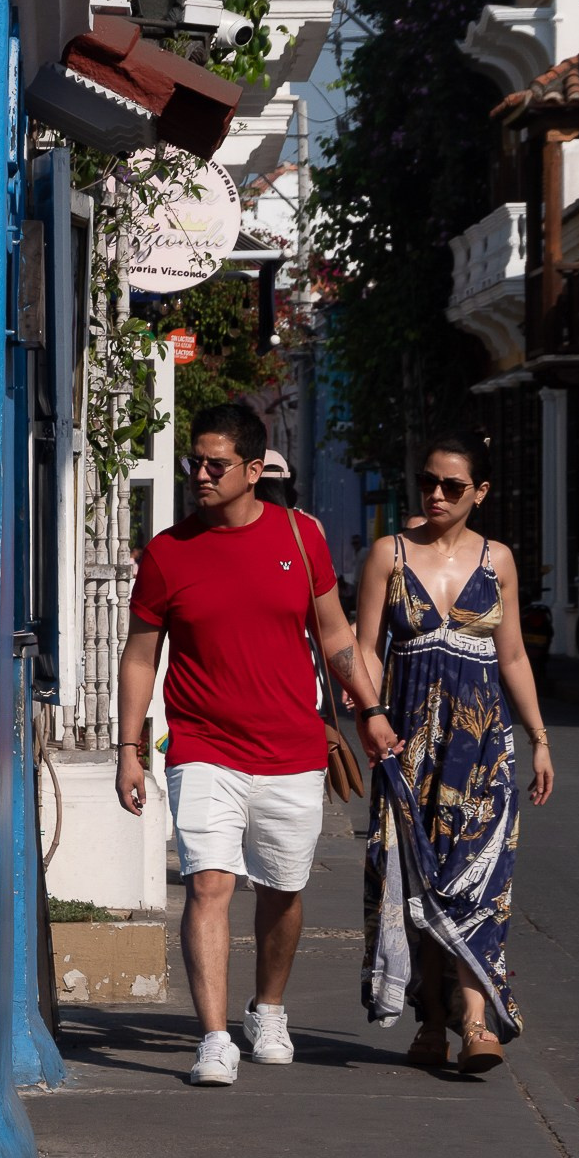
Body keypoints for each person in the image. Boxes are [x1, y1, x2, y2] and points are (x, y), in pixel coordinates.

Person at [117, 403, 401, 1086]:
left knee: (282, 888)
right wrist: (129, 746)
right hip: (202, 745)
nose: (201, 474)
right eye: (195, 462)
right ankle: (214, 1036)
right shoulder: (167, 552)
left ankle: (267, 1006)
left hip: (290, 748)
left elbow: (335, 636)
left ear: (252, 469)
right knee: (209, 884)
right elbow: (138, 656)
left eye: (216, 464)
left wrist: (369, 709)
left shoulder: (301, 538)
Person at [353, 436, 555, 1073]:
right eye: (427, 482)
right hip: (408, 746)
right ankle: (431, 1020)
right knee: (420, 883)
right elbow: (363, 650)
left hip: (484, 750)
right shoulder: (389, 554)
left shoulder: (499, 562)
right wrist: (371, 716)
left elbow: (513, 655)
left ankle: (474, 1018)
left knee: (480, 883)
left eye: (452, 486)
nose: (436, 495)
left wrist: (540, 739)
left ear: (480, 493)